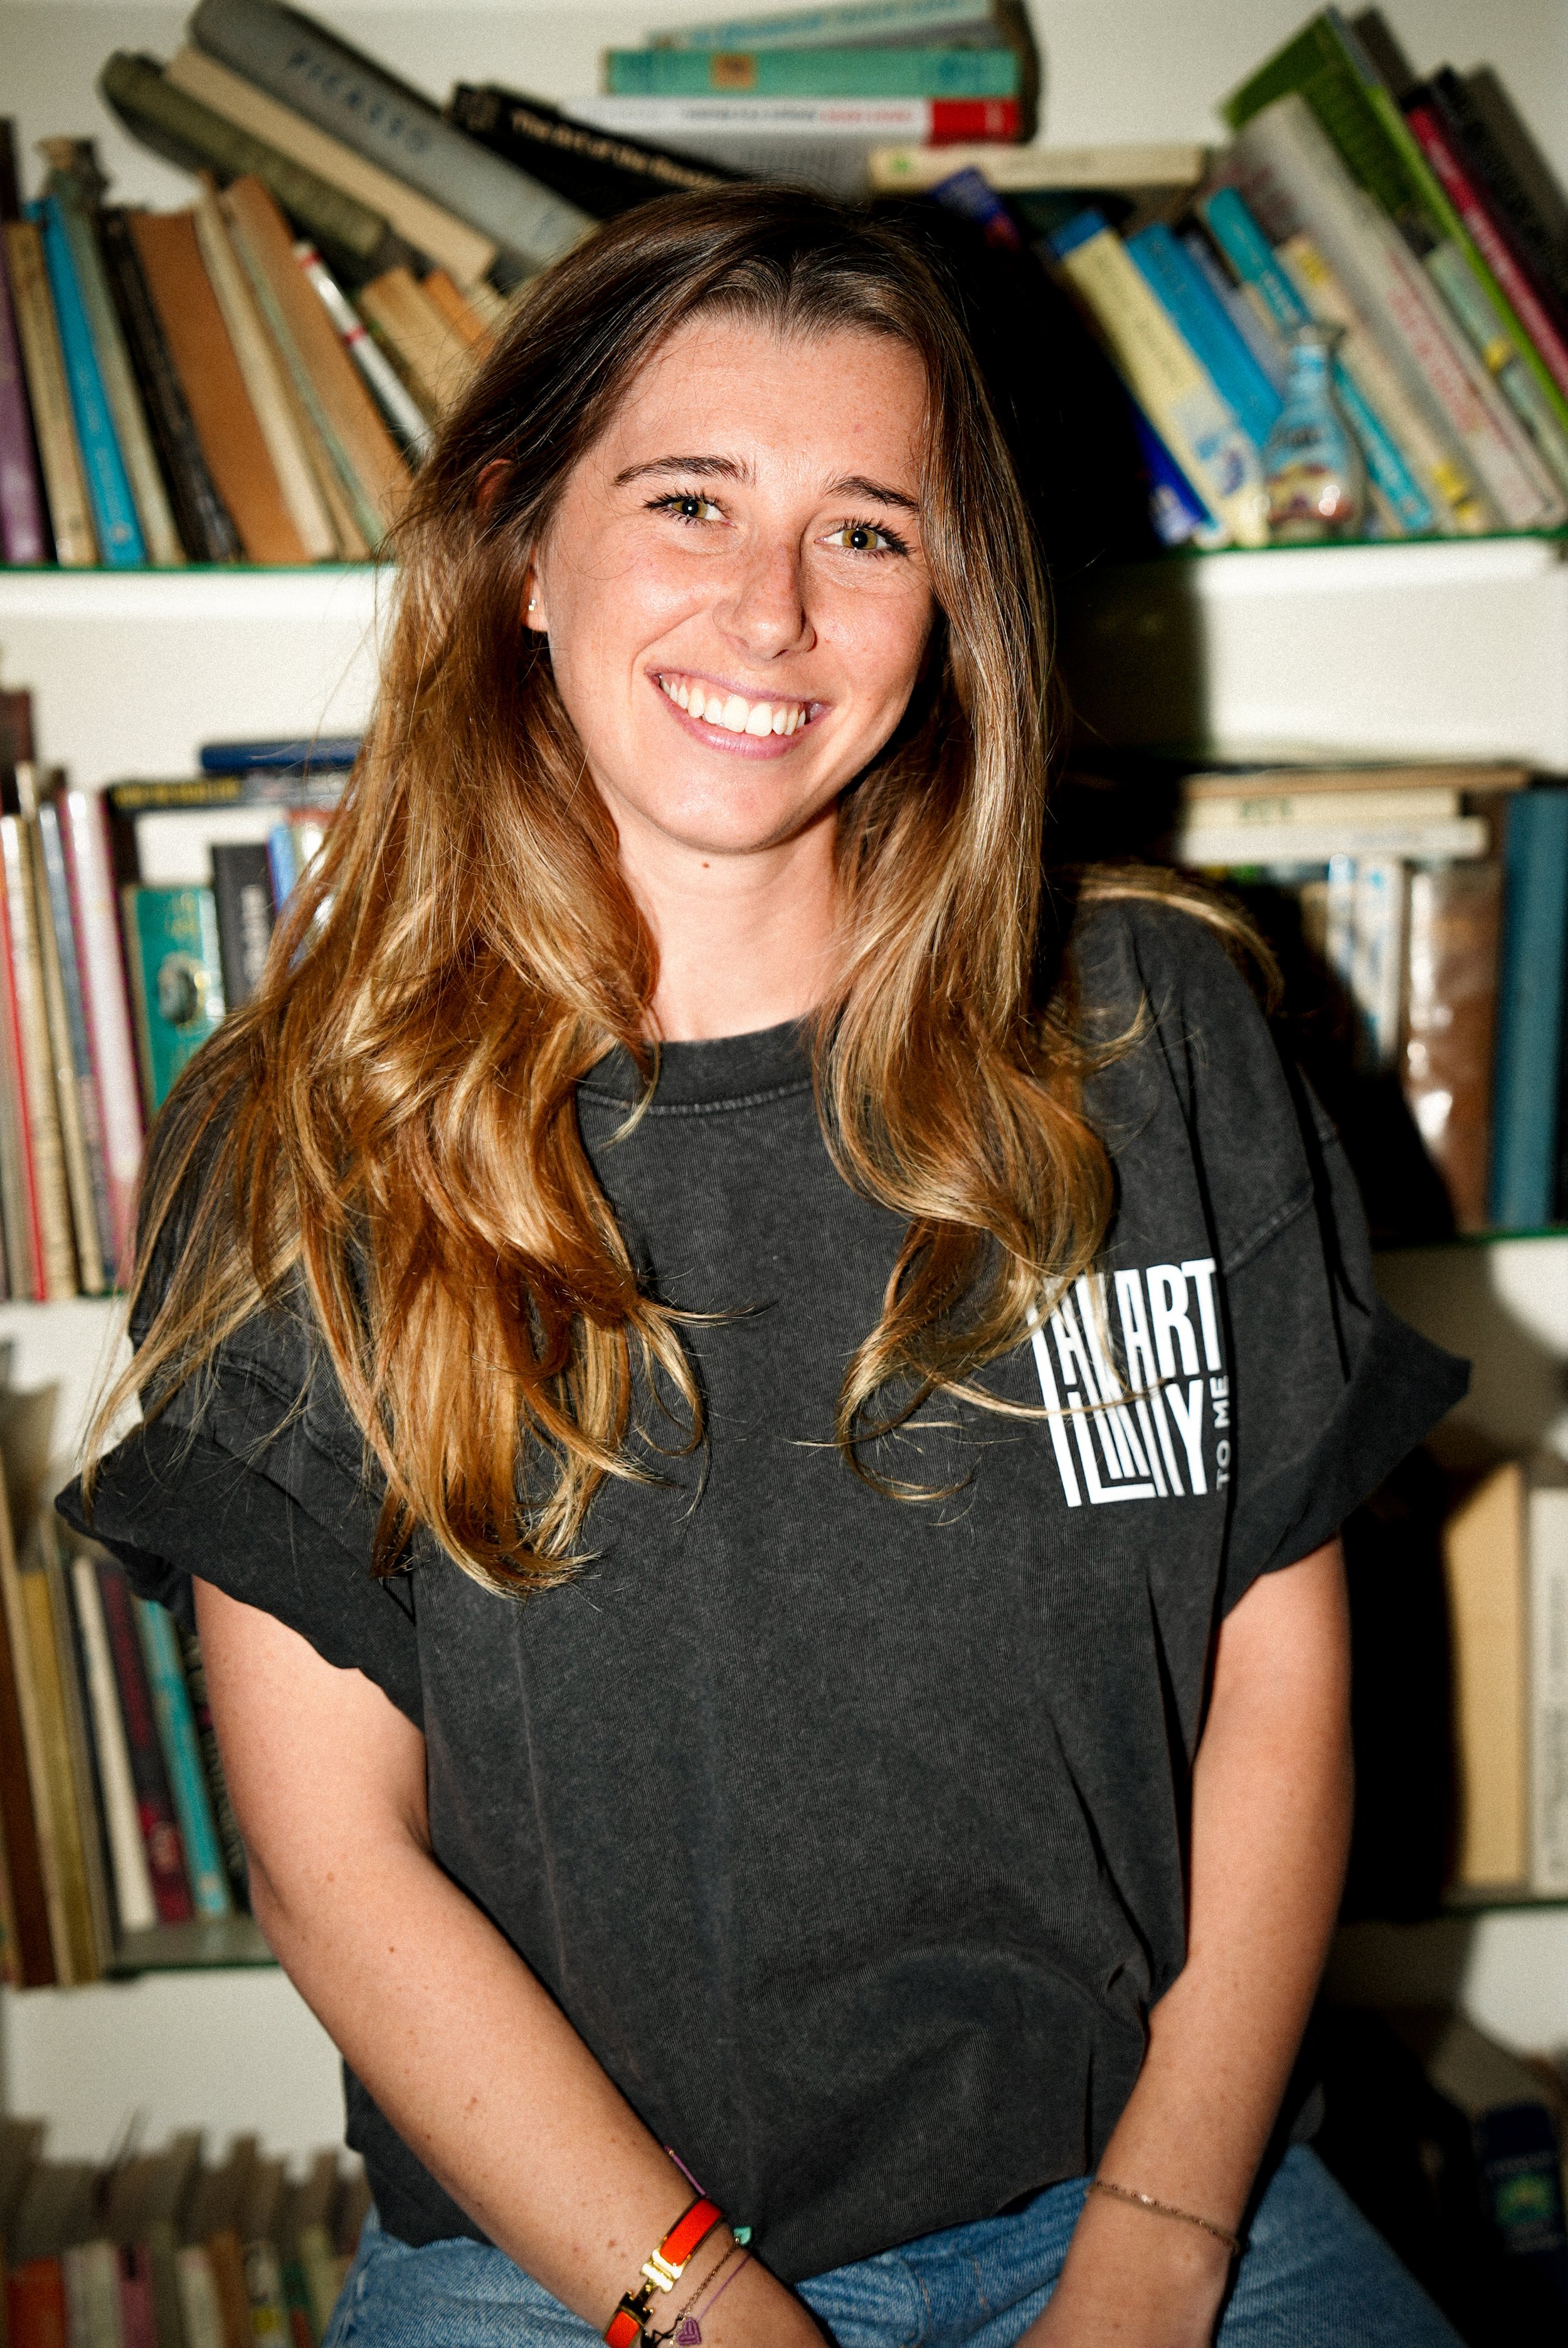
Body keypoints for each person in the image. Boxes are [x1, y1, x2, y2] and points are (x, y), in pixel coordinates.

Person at [64, 189, 1468, 2348]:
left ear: (951, 606)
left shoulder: (1147, 1037)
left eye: (869, 531)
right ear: (522, 549)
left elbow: (1276, 1695)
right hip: (575, 2262)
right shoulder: (305, 1137)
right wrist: (708, 2312)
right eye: (691, 499)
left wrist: (1168, 2240)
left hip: (1153, 2187)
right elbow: (336, 1868)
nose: (774, 612)